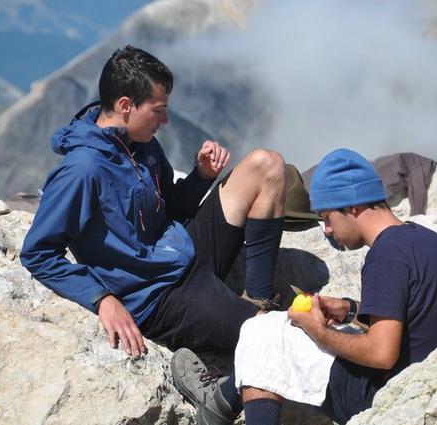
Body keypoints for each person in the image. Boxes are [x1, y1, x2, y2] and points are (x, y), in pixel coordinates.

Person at [20, 45, 287, 358]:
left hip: (182, 252)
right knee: (275, 335)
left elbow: (174, 207)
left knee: (266, 164)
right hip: (158, 297)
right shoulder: (82, 170)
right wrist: (101, 298)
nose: (165, 120)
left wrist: (202, 175)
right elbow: (38, 253)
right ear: (125, 106)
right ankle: (246, 330)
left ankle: (258, 298)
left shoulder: (143, 145)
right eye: (158, 110)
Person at [170, 148, 437, 425]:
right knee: (274, 331)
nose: (327, 230)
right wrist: (350, 309)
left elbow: (382, 353)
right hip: (427, 380)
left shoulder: (386, 257)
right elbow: (411, 321)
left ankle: (219, 404)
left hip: (383, 393)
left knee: (263, 333)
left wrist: (318, 331)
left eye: (328, 218)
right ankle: (221, 402)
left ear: (352, 206)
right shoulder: (429, 241)